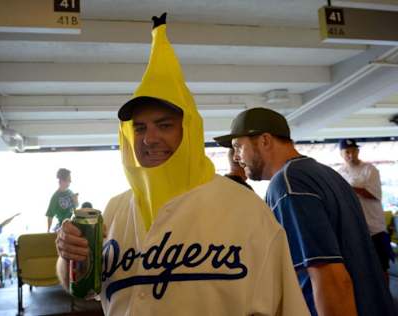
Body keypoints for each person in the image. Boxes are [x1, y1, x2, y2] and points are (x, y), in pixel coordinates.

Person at [56, 13, 309, 316]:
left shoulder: (246, 210)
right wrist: (69, 257)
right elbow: (85, 290)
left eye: (164, 125)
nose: (149, 139)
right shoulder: (115, 211)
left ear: (189, 131)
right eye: (140, 128)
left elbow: (287, 306)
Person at [215, 107, 395, 316]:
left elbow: (329, 277)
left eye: (238, 147)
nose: (236, 157)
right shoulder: (326, 174)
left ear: (265, 140)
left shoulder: (288, 184)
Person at [338, 139, 394, 280]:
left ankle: (386, 300)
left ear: (358, 151)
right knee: (361, 268)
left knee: (382, 267)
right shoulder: (340, 172)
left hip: (375, 228)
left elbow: (374, 194)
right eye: (347, 152)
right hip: (354, 228)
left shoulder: (370, 169)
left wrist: (349, 188)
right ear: (342, 154)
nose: (351, 155)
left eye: (353, 151)